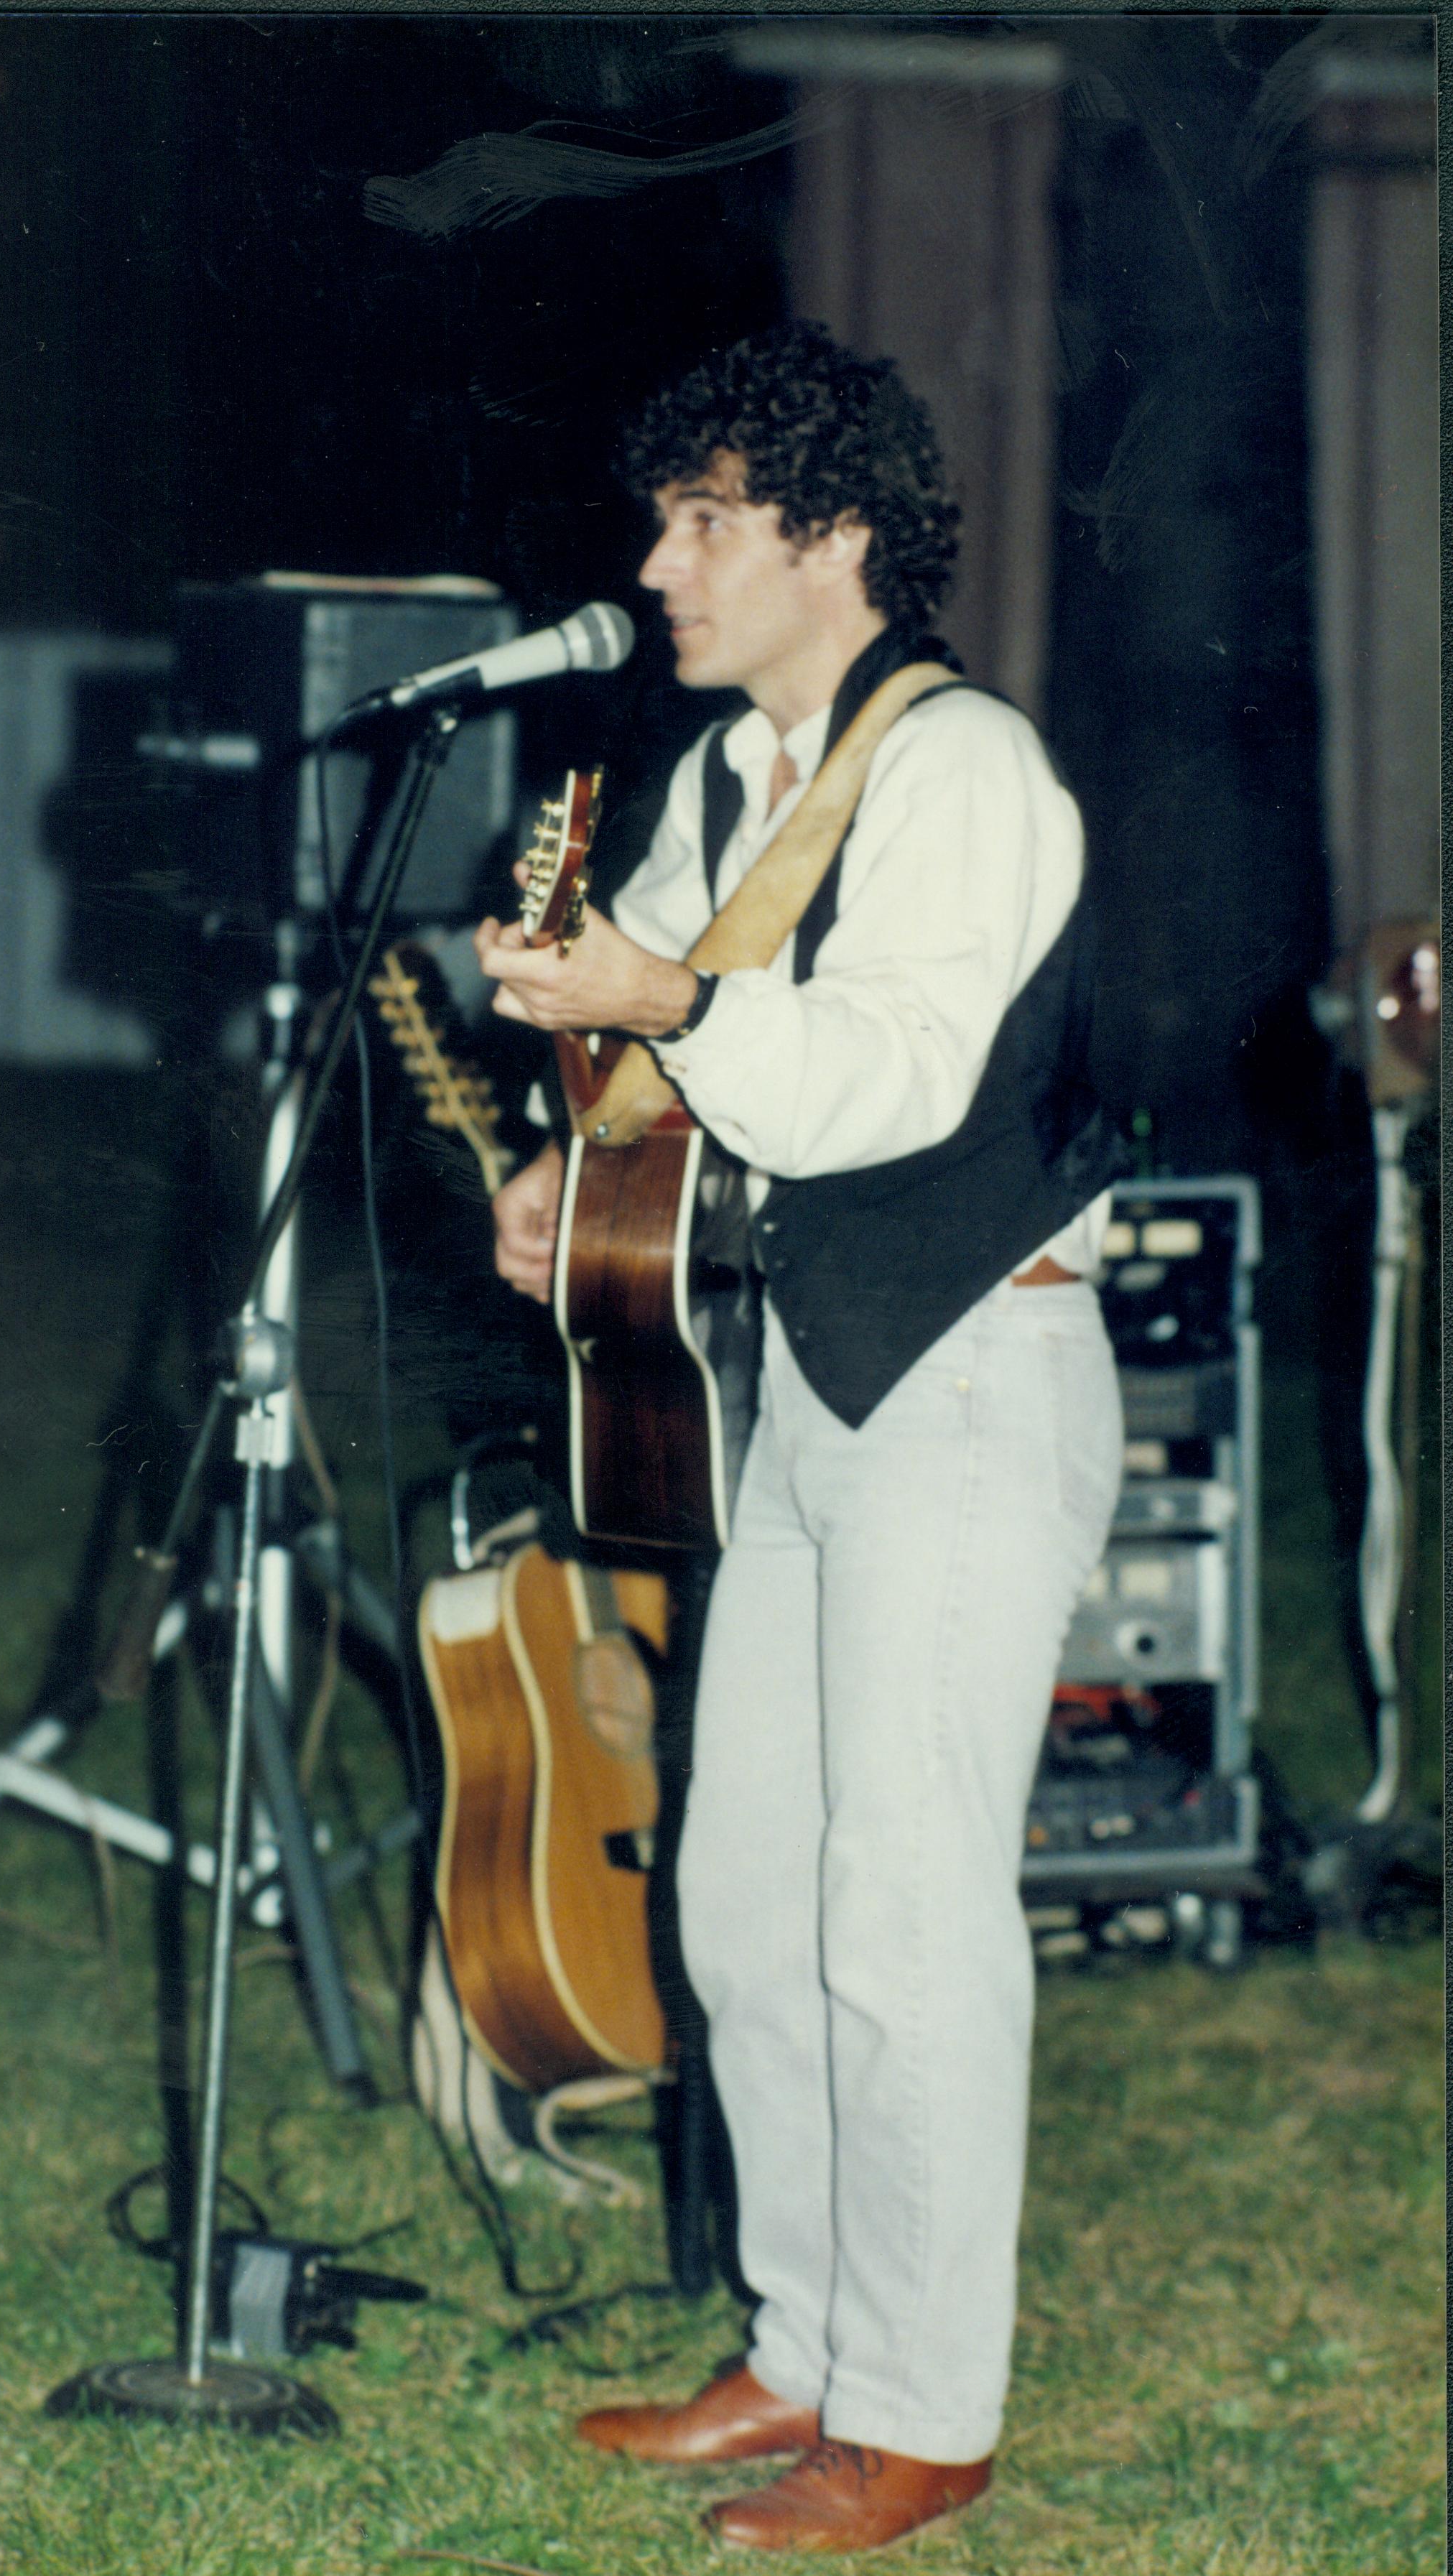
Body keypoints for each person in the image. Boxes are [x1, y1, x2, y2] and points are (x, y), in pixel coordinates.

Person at [473, 321, 1128, 2556]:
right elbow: (661, 1042)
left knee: (904, 1913)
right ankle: (805, 2352)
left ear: (831, 537)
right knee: (749, 1902)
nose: (658, 562)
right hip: (810, 1375)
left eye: (705, 522)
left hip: (968, 1361)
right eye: (663, 519)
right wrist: (573, 1151)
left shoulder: (961, 770)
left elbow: (891, 1078)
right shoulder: (721, 781)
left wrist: (656, 1004)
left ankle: (925, 2413)